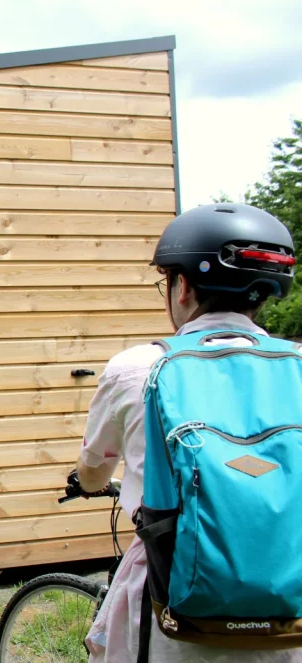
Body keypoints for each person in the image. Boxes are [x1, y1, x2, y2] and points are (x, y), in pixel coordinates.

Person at [75, 202, 301, 662]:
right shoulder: (296, 367)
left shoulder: (137, 366)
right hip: (285, 616)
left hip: (170, 609)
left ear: (182, 288)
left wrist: (87, 481)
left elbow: (95, 468)